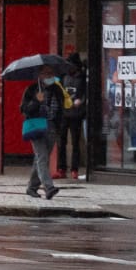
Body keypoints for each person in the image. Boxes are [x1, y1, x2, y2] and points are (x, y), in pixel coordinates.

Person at [21, 65, 64, 199]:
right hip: (37, 126)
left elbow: (60, 110)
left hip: (51, 127)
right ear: (39, 75)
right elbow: (24, 109)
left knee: (40, 158)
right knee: (42, 157)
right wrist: (36, 101)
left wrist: (59, 127)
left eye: (51, 73)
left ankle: (31, 187)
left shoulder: (57, 89)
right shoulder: (32, 89)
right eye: (46, 73)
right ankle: (48, 187)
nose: (49, 76)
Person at [56, 50, 86, 180]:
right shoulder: (63, 76)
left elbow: (86, 94)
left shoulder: (83, 78)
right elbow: (58, 92)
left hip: (76, 113)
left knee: (75, 143)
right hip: (64, 113)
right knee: (61, 142)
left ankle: (74, 169)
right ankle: (61, 168)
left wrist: (81, 101)